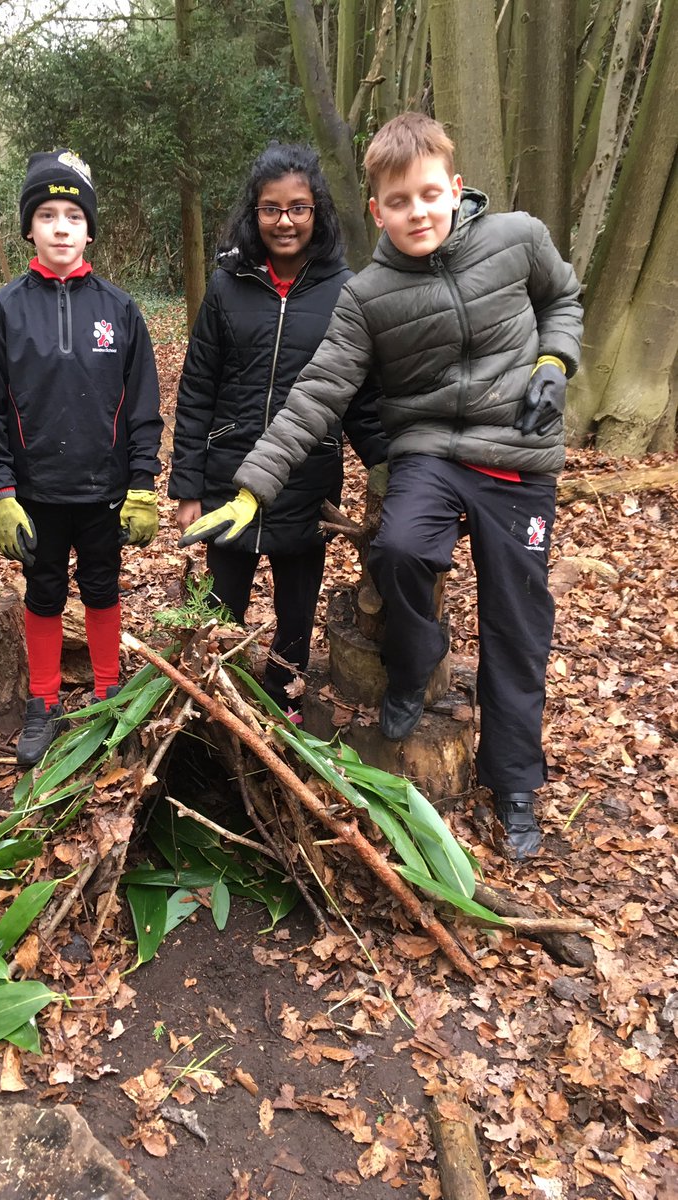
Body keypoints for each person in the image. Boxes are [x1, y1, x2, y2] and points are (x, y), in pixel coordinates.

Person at [182, 113, 583, 860]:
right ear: (376, 211)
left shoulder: (517, 238)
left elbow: (564, 299)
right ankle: (411, 663)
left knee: (517, 622)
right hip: (428, 452)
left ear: (455, 189)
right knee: (397, 548)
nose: (418, 212)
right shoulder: (366, 295)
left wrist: (554, 363)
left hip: (518, 457)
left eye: (431, 194)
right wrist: (252, 488)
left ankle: (514, 780)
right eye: (399, 202)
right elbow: (317, 393)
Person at [169, 143, 386, 716]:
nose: (284, 221)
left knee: (297, 609)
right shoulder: (226, 285)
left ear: (317, 212)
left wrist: (389, 467)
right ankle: (216, 705)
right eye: (271, 209)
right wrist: (187, 484)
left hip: (306, 478)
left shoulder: (347, 291)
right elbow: (195, 389)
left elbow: (360, 398)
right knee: (221, 608)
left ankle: (284, 699)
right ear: (254, 212)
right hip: (227, 473)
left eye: (298, 208)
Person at [0, 150, 162, 766]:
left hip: (104, 490)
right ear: (29, 226)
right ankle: (43, 700)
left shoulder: (119, 310)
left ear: (88, 229)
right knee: (44, 592)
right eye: (46, 214)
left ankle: (108, 692)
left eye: (73, 215)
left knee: (103, 589)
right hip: (35, 494)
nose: (59, 227)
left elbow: (142, 404)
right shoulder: (3, 311)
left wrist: (141, 483)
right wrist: (0, 494)